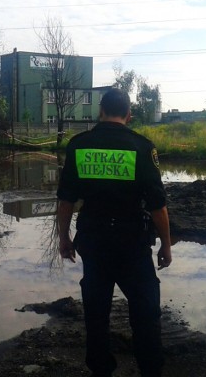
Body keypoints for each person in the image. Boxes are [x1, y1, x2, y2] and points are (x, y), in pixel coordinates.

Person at [56, 88, 172, 377]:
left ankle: (100, 369)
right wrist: (166, 245)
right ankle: (150, 369)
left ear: (100, 112)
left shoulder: (79, 145)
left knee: (96, 312)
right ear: (129, 114)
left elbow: (66, 199)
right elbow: (158, 206)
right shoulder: (142, 147)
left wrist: (64, 238)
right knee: (145, 312)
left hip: (94, 241)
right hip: (132, 243)